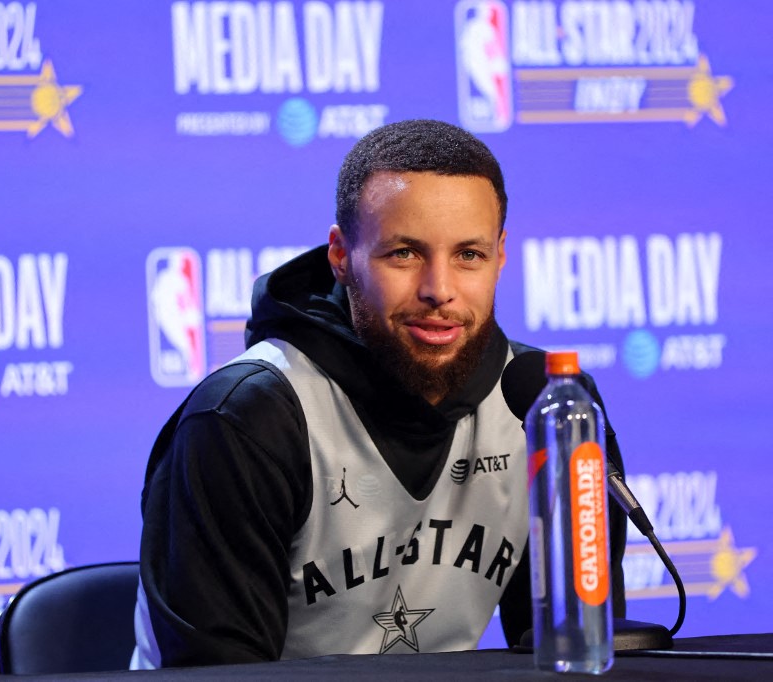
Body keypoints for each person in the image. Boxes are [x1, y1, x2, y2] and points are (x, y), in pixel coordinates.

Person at [132, 119, 627, 668]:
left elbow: (577, 648)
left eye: (468, 254)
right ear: (341, 256)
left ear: (500, 255)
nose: (439, 289)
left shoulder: (548, 404)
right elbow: (222, 680)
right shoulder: (246, 418)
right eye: (404, 254)